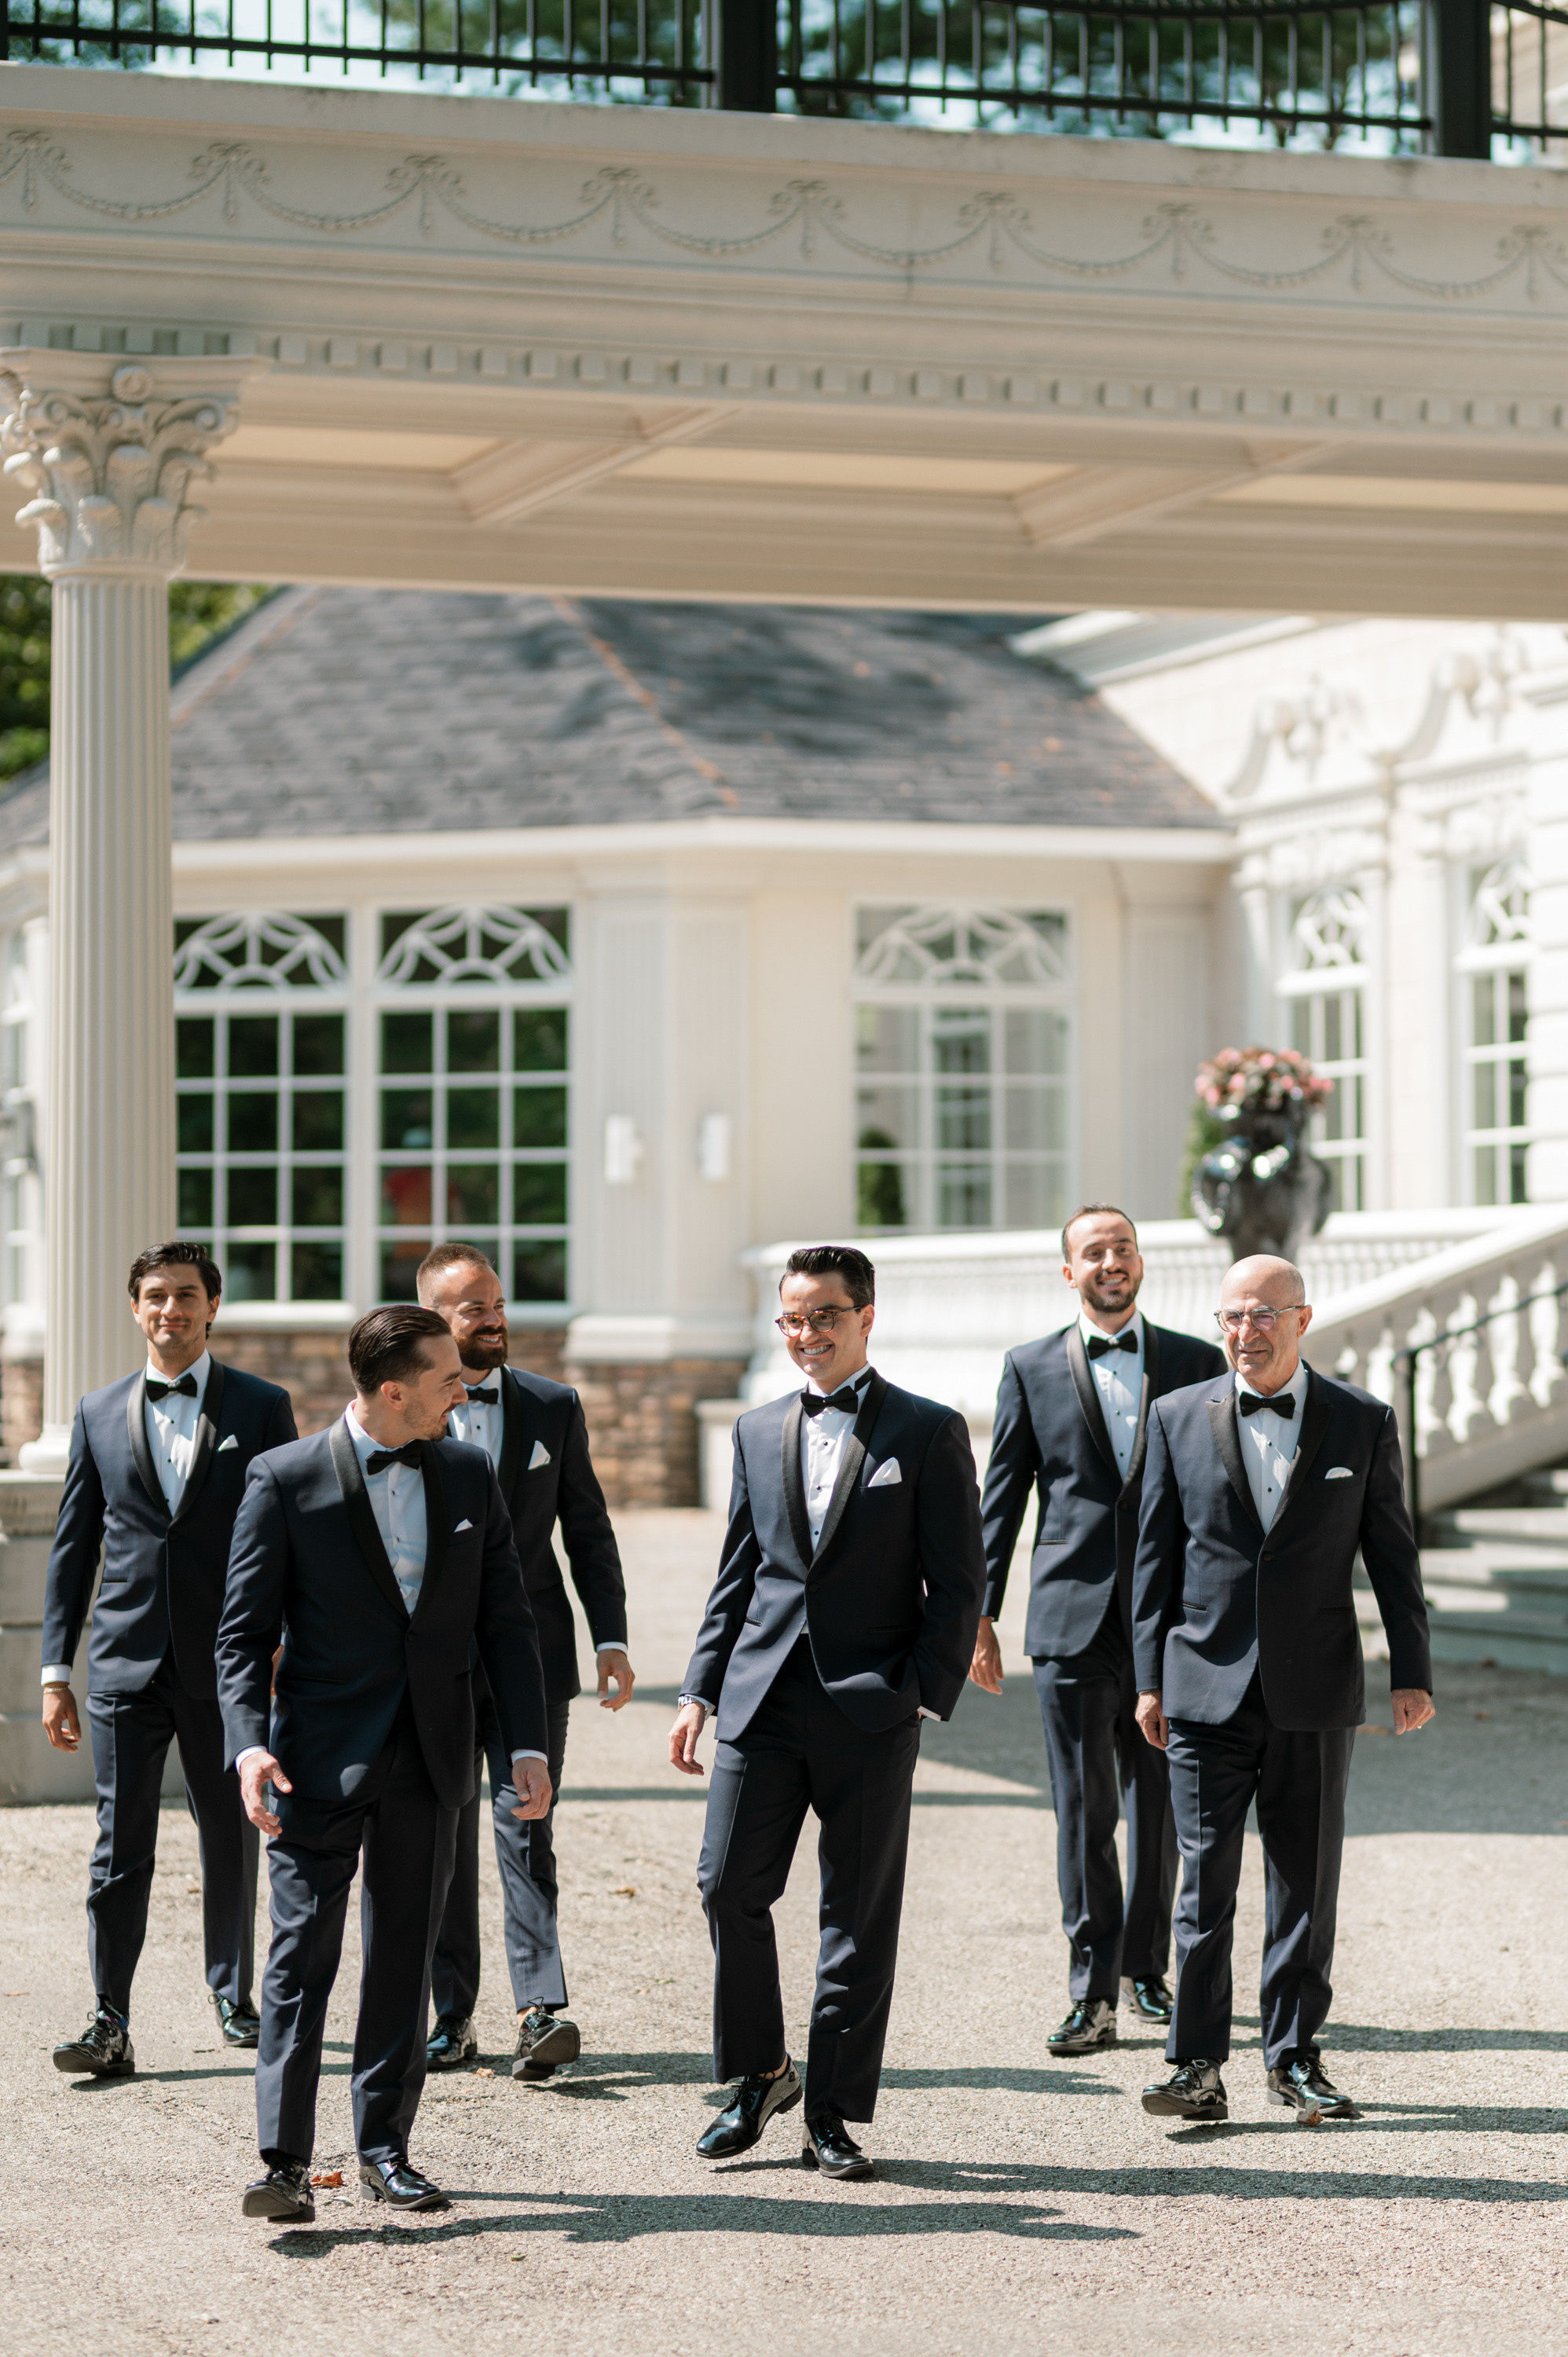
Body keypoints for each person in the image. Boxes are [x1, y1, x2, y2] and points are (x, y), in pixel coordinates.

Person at [217, 1306, 551, 2223]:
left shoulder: (468, 1472)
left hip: (432, 1758)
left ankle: (384, 2149)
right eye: (449, 1378)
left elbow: (506, 1625)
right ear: (394, 1388)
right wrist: (247, 1743)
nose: (466, 1389)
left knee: (403, 1959)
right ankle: (282, 2163)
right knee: (297, 1963)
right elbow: (241, 1636)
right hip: (310, 1767)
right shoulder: (281, 1479)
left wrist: (522, 1743)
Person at [670, 1244, 985, 2181]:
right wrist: (697, 1689)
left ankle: (835, 2116)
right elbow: (738, 1573)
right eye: (793, 1319)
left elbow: (958, 1582)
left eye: (825, 1317)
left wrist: (919, 1695)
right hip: (760, 1698)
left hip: (869, 1708)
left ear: (865, 1317)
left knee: (856, 1913)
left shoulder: (928, 1432)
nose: (807, 1335)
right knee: (727, 1884)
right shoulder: (756, 1428)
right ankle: (762, 2071)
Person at [1131, 1253, 1434, 2125]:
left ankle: (1294, 2059)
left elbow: (1392, 1553)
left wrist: (1410, 1671)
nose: (1244, 1332)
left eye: (1264, 1316)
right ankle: (1194, 2065)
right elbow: (1151, 1563)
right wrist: (1149, 1679)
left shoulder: (1360, 1420)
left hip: (1315, 1687)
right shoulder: (1175, 1416)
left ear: (1302, 1320)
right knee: (1203, 1886)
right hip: (1199, 1689)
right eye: (1231, 1316)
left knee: (1304, 1881)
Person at [972, 1204, 1226, 2056]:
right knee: (1083, 1808)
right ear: (1068, 1270)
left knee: (1161, 1805)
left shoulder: (1196, 1361)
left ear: (1140, 1262)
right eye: (1093, 1251)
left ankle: (1146, 1972)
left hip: (1174, 1622)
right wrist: (980, 1614)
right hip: (1072, 1620)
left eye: (1122, 1248)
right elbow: (1001, 1498)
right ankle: (1091, 1987)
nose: (1110, 1261)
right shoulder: (1029, 1366)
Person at [41, 1242, 298, 2078]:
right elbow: (74, 1550)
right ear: (135, 1308)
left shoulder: (262, 1407)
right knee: (121, 1843)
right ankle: (110, 2013)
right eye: (154, 1296)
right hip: (122, 1664)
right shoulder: (95, 1412)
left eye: (186, 1295)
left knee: (230, 1830)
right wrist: (55, 1670)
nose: (170, 1311)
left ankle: (233, 1990)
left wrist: (288, 1645)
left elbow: (292, 1540)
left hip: (230, 1664)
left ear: (213, 1305)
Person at [416, 1242, 632, 2082]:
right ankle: (450, 2015)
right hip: (430, 1664)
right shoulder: (402, 1410)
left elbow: (588, 1531)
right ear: (434, 1318)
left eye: (497, 1303)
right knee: (437, 1838)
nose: (494, 1318)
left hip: (534, 1659)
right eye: (472, 1308)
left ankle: (538, 2011)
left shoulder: (552, 1406)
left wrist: (609, 1636)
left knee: (526, 1825)